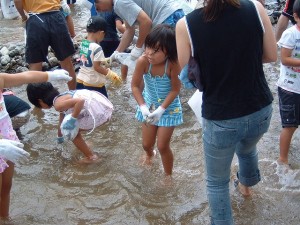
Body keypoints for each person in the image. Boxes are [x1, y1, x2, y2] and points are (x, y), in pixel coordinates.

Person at [175, 0, 277, 224]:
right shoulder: (256, 8)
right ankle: (247, 187)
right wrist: (241, 61)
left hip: (221, 117)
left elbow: (189, 78)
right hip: (261, 109)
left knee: (217, 183)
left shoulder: (186, 25)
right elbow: (271, 55)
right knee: (247, 147)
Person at [0, 69, 72, 220]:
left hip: (8, 139)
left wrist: (50, 75)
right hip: (2, 145)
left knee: (6, 187)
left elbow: (25, 77)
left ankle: (5, 218)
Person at [131, 24, 182, 182]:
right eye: (148, 48)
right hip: (149, 105)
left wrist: (161, 109)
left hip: (169, 108)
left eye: (156, 51)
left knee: (162, 146)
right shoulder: (143, 62)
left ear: (169, 51)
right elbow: (134, 86)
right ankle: (149, 155)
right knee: (147, 144)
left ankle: (168, 175)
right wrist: (143, 106)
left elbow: (175, 90)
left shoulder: (173, 64)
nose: (150, 53)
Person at [26, 82, 114, 164]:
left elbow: (80, 101)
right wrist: (59, 136)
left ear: (40, 101)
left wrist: (72, 119)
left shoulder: (58, 105)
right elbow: (62, 116)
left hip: (99, 114)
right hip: (105, 106)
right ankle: (84, 146)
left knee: (71, 132)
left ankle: (91, 157)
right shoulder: (62, 97)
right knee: (70, 128)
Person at [94, 0, 185, 63]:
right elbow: (129, 30)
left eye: (97, 7)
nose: (100, 11)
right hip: (175, 11)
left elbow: (146, 22)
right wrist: (115, 54)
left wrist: (138, 48)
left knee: (162, 62)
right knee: (175, 58)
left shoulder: (119, 3)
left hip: (167, 17)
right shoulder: (118, 5)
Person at [14, 0, 77, 90]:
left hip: (35, 18)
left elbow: (17, 1)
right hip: (56, 16)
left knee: (35, 66)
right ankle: (73, 94)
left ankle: (38, 101)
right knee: (67, 63)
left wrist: (23, 16)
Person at [277, 0, 300, 167]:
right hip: (290, 88)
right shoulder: (291, 34)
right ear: (296, 16)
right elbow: (284, 59)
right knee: (290, 125)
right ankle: (282, 159)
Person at [76, 16, 122, 97]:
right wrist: (110, 74)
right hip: (93, 84)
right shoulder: (97, 48)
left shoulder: (84, 43)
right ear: (101, 33)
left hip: (81, 80)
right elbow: (96, 67)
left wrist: (103, 60)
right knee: (104, 105)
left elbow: (86, 59)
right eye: (104, 35)